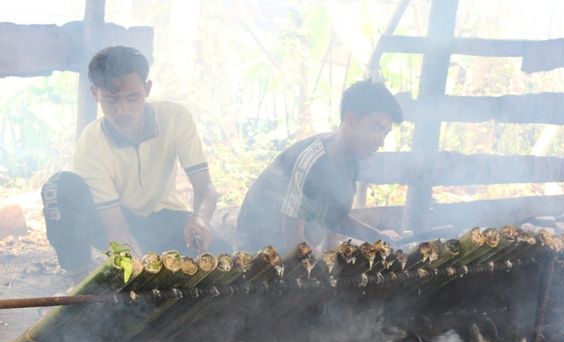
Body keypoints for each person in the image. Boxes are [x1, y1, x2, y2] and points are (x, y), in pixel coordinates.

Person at [41, 46, 224, 281]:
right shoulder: (90, 145)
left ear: (147, 89)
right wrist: (140, 273)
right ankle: (78, 278)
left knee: (222, 253)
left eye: (132, 97)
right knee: (59, 187)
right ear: (95, 93)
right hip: (115, 224)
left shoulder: (175, 118)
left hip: (164, 218)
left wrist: (199, 219)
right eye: (111, 99)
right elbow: (116, 228)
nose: (122, 110)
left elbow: (205, 187)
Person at [236, 78, 402, 255]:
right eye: (376, 128)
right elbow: (293, 238)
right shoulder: (311, 160)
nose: (381, 142)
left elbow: (335, 218)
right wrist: (327, 270)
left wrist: (376, 236)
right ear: (350, 120)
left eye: (385, 133)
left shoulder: (351, 161)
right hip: (257, 256)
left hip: (295, 254)